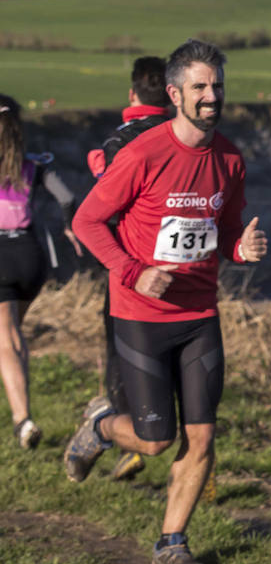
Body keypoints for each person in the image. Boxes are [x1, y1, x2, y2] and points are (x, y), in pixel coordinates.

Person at [68, 38, 268, 564]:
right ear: (175, 92)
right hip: (141, 316)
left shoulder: (228, 156)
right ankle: (104, 428)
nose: (211, 96)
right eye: (200, 87)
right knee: (156, 439)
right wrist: (134, 271)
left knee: (202, 434)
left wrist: (239, 249)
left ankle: (172, 542)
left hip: (200, 316)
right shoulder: (143, 153)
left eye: (217, 86)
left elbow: (223, 232)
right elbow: (86, 222)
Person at [85, 55, 174, 481]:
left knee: (121, 354)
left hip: (132, 269)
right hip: (184, 273)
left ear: (132, 93)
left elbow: (101, 202)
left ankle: (119, 426)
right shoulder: (184, 137)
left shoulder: (119, 141)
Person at [0, 94, 81, 448]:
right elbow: (66, 197)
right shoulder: (35, 166)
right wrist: (69, 227)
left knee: (5, 339)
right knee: (14, 336)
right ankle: (23, 412)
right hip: (31, 257)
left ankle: (22, 419)